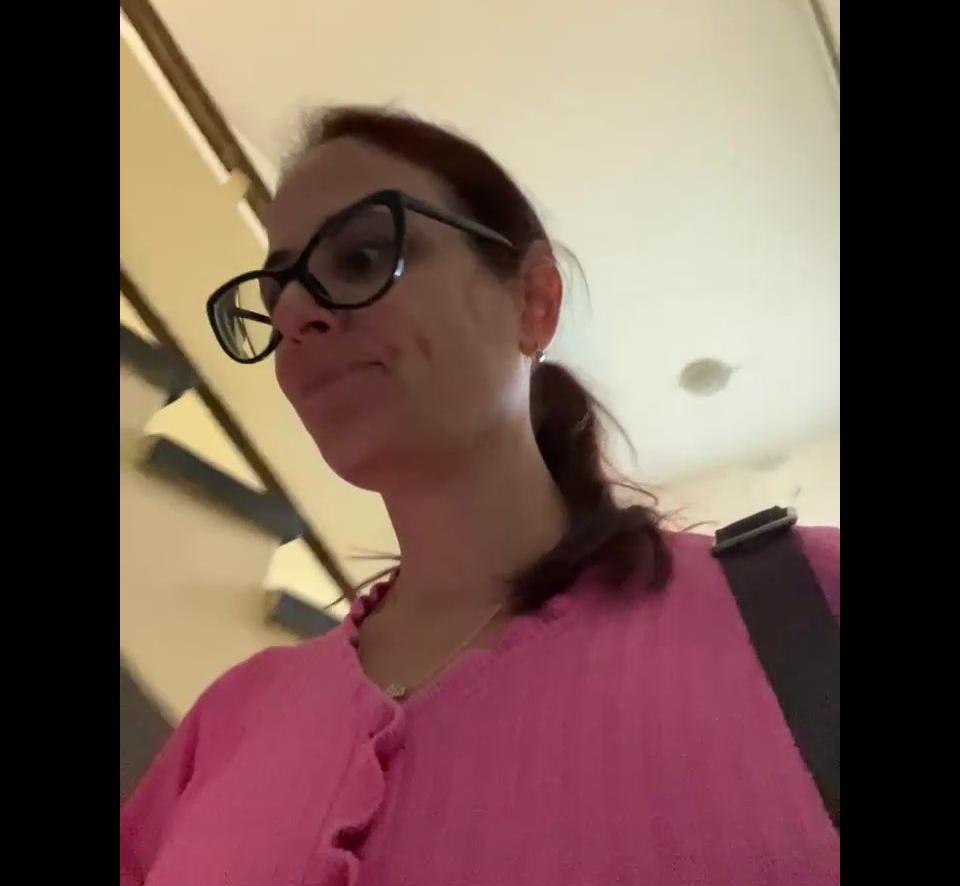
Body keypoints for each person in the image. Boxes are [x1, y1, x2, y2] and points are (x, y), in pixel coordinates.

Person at [120, 107, 840, 885]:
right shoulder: (227, 724)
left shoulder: (807, 600)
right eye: (274, 298)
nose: (294, 316)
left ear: (532, 302)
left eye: (362, 258)